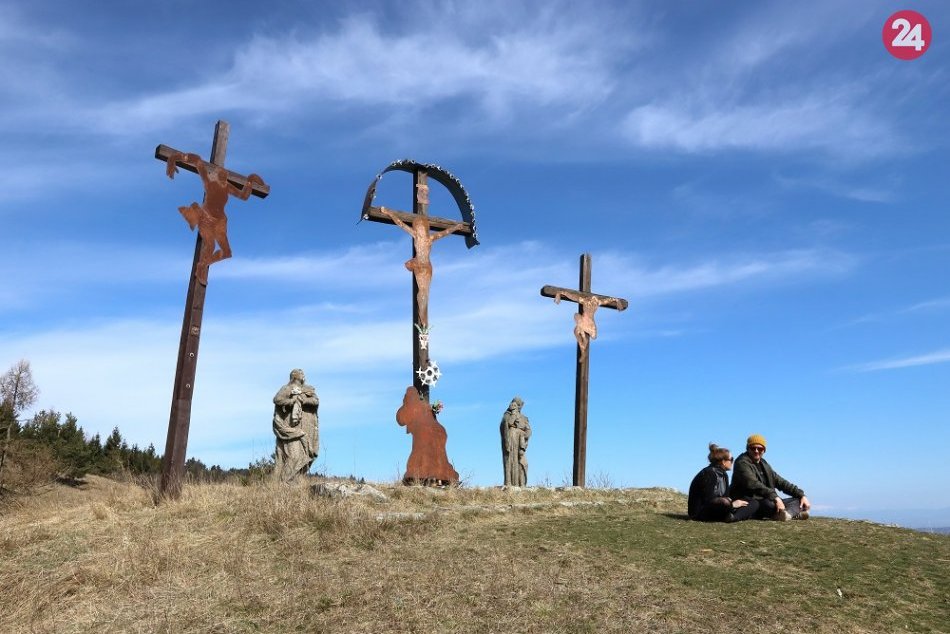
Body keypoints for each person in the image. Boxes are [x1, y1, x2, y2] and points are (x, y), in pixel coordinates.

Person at [378, 205, 466, 327]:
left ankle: (423, 318)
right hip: (418, 266)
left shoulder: (431, 238)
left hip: (427, 268)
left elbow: (445, 232)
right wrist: (388, 212)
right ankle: (422, 317)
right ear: (416, 228)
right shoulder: (414, 234)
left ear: (425, 229)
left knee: (425, 293)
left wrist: (456, 227)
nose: (419, 229)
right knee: (421, 294)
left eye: (421, 227)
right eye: (418, 227)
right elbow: (400, 223)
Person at [730, 434, 811, 521]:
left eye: (760, 449)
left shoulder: (764, 464)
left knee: (798, 501)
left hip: (767, 499)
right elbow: (753, 484)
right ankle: (789, 514)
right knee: (769, 504)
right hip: (751, 501)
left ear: (764, 450)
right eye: (753, 448)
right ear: (748, 448)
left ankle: (786, 515)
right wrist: (775, 498)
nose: (756, 451)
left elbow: (781, 482)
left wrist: (801, 495)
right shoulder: (742, 463)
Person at [688, 443, 759, 522]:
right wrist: (732, 504)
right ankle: (732, 516)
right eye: (731, 459)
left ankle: (733, 517)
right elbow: (708, 500)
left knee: (752, 501)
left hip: (720, 508)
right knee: (724, 502)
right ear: (723, 462)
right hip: (700, 513)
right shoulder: (709, 473)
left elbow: (726, 496)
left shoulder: (724, 474)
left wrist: (733, 502)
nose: (732, 462)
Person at [272, 369, 319, 483]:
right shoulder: (287, 388)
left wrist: (304, 400)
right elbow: (277, 399)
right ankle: (283, 483)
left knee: (306, 456)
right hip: (292, 428)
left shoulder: (308, 389)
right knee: (294, 456)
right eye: (303, 375)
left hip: (306, 429)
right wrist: (292, 401)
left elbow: (315, 401)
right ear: (298, 377)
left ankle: (293, 482)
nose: (304, 377)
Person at [500, 397, 531, 487]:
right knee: (509, 461)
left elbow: (528, 430)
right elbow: (507, 423)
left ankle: (520, 483)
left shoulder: (524, 418)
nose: (517, 407)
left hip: (520, 441)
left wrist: (523, 437)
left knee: (521, 462)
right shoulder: (507, 415)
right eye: (514, 405)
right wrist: (513, 414)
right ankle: (509, 483)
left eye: (518, 405)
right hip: (510, 439)